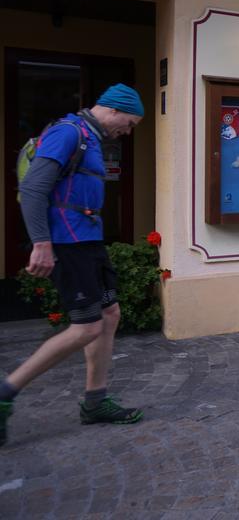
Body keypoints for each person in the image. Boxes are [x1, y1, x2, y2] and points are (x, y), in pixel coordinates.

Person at [0, 84, 146, 447]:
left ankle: (95, 401)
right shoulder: (68, 133)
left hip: (88, 240)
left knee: (109, 315)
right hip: (67, 243)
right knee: (85, 328)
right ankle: (6, 391)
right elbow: (34, 189)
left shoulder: (90, 137)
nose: (126, 132)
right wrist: (41, 243)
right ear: (113, 110)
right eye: (128, 124)